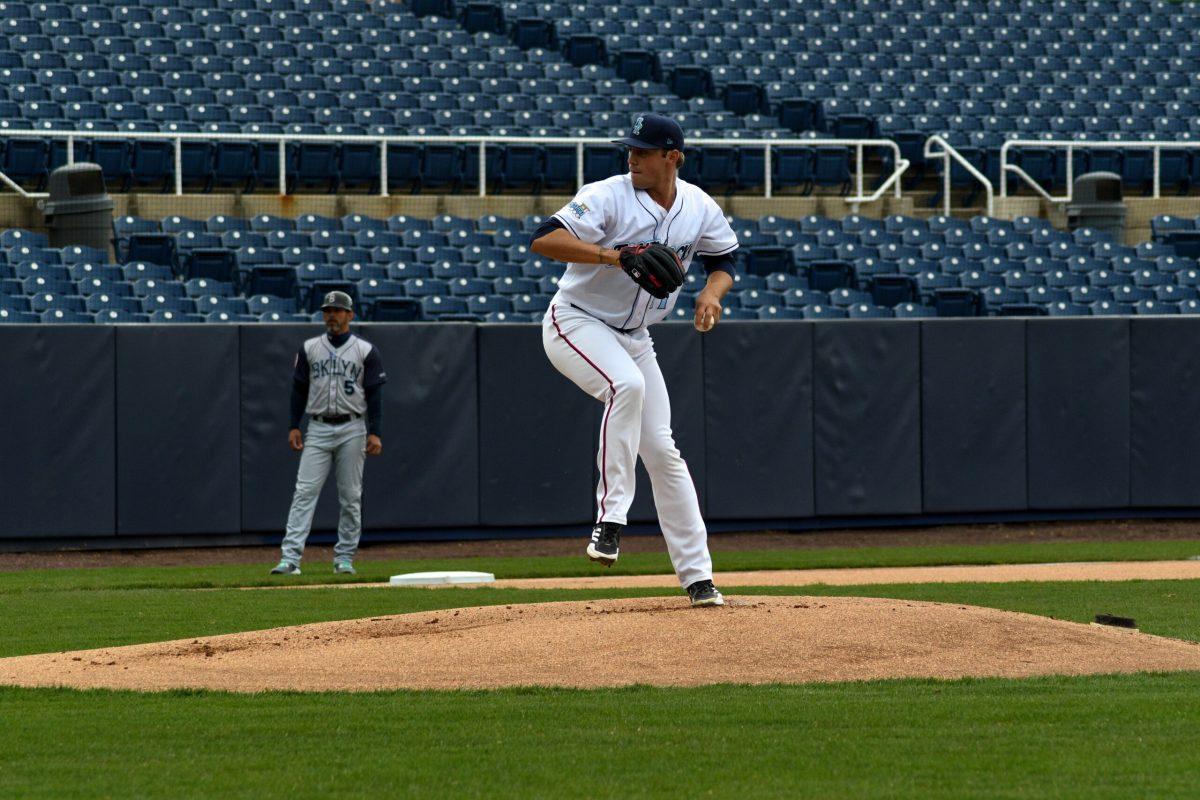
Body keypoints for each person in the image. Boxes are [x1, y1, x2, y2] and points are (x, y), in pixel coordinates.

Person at [529, 113, 739, 607]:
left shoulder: (698, 206)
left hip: (636, 335)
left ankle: (699, 579)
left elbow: (725, 258)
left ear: (673, 157)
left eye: (643, 151)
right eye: (630, 149)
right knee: (626, 386)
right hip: (577, 320)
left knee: (664, 453)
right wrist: (613, 255)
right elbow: (543, 238)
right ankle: (611, 520)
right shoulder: (608, 194)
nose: (632, 157)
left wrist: (713, 293)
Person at [271, 290, 386, 576]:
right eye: (327, 310)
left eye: (337, 310)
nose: (331, 315)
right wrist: (293, 425)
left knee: (350, 496)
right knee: (304, 492)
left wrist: (375, 432)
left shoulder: (365, 350)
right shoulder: (309, 348)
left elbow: (374, 395)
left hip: (353, 427)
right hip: (318, 427)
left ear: (350, 315)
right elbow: (299, 390)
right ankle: (290, 559)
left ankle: (344, 558)